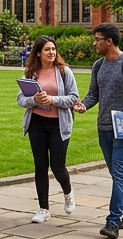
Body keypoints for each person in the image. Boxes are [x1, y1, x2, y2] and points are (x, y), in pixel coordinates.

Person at [74, 23, 123, 239]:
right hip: (104, 127)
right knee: (117, 174)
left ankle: (113, 222)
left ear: (109, 41)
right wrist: (84, 105)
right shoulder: (98, 65)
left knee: (119, 173)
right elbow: (93, 94)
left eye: (97, 39)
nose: (94, 43)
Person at [16, 36, 80, 223]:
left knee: (58, 166)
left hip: (58, 125)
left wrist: (52, 100)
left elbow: (73, 98)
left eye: (53, 49)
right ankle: (43, 208)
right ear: (38, 53)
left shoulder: (64, 71)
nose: (51, 52)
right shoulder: (31, 73)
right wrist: (34, 100)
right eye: (47, 49)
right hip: (37, 123)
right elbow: (20, 100)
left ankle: (68, 193)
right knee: (40, 166)